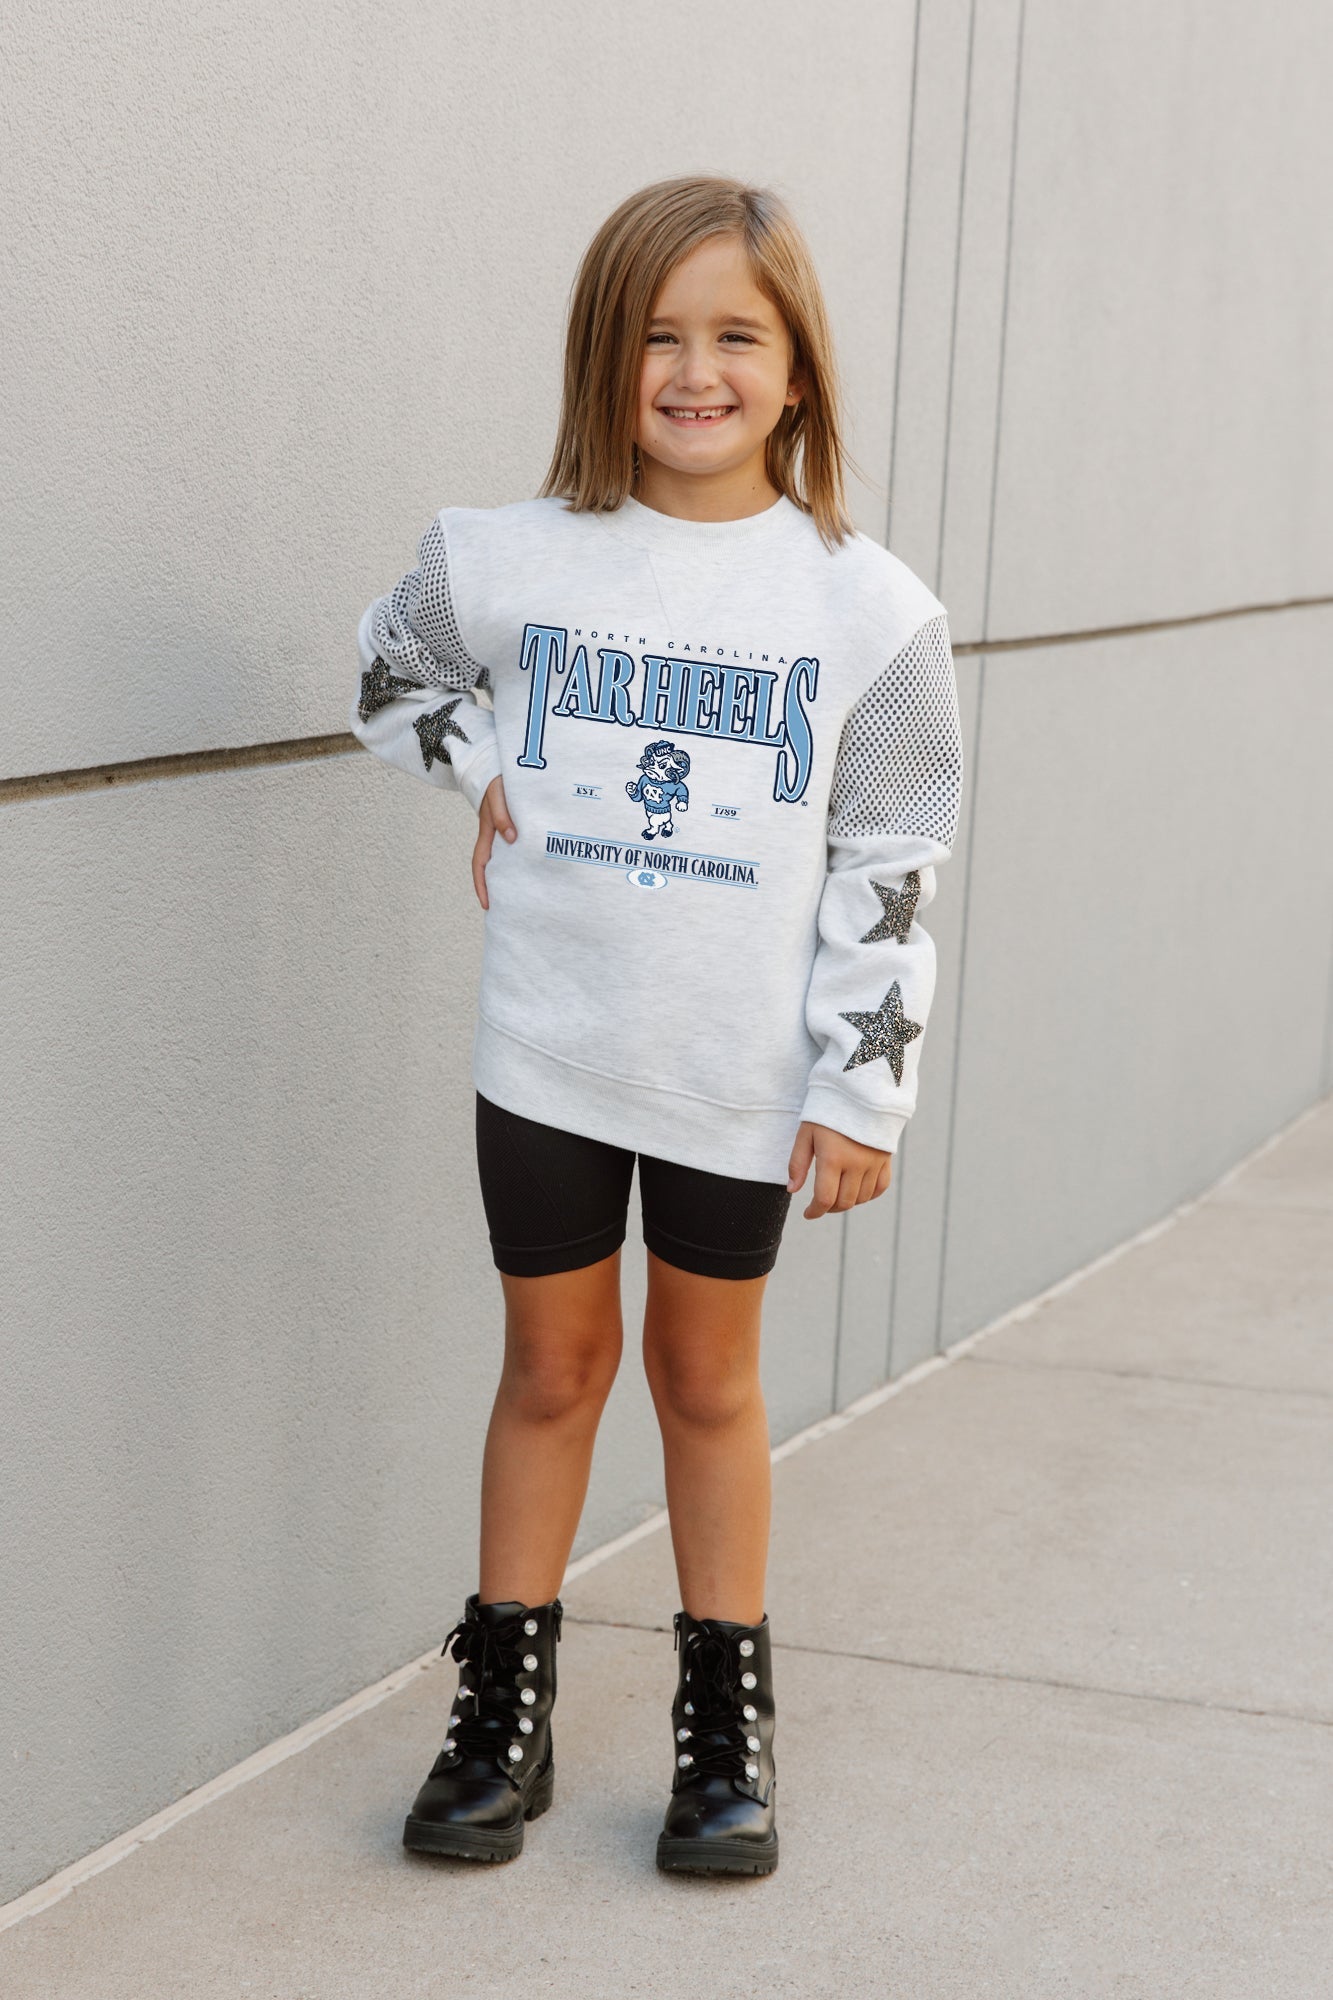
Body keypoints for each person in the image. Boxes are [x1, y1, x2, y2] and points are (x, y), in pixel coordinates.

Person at [349, 174, 964, 1878]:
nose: (695, 373)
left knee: (705, 1381)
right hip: (548, 1046)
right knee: (551, 1370)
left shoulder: (868, 612)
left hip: (735, 1075)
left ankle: (723, 1724)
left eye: (735, 337)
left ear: (796, 369)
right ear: (600, 359)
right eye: (656, 337)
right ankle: (504, 1716)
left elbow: (889, 863)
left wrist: (863, 1090)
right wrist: (479, 766)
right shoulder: (503, 556)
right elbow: (388, 675)